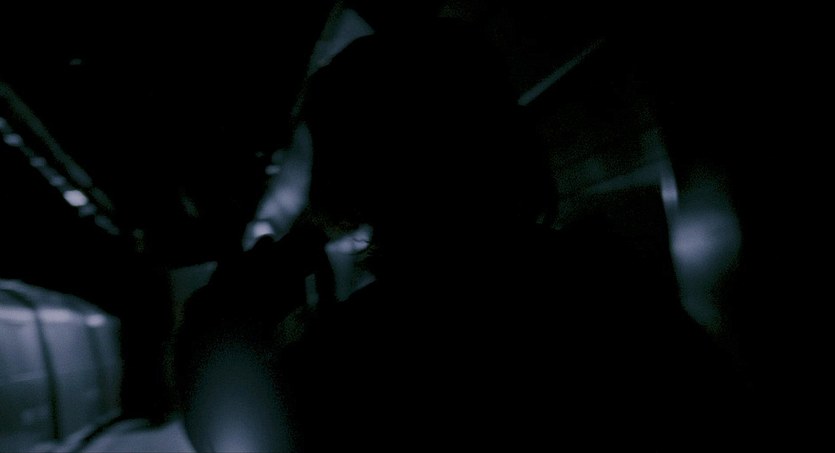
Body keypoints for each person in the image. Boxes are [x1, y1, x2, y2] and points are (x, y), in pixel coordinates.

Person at [176, 4, 754, 451]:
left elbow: (236, 430)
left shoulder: (354, 363)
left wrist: (224, 315)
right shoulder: (621, 302)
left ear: (350, 183)